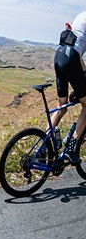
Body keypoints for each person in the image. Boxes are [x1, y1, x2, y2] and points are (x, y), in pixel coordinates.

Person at [51, 18, 86, 165]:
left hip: (59, 55)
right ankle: (70, 148)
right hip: (71, 57)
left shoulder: (81, 16)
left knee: (62, 107)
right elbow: (77, 58)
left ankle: (43, 145)